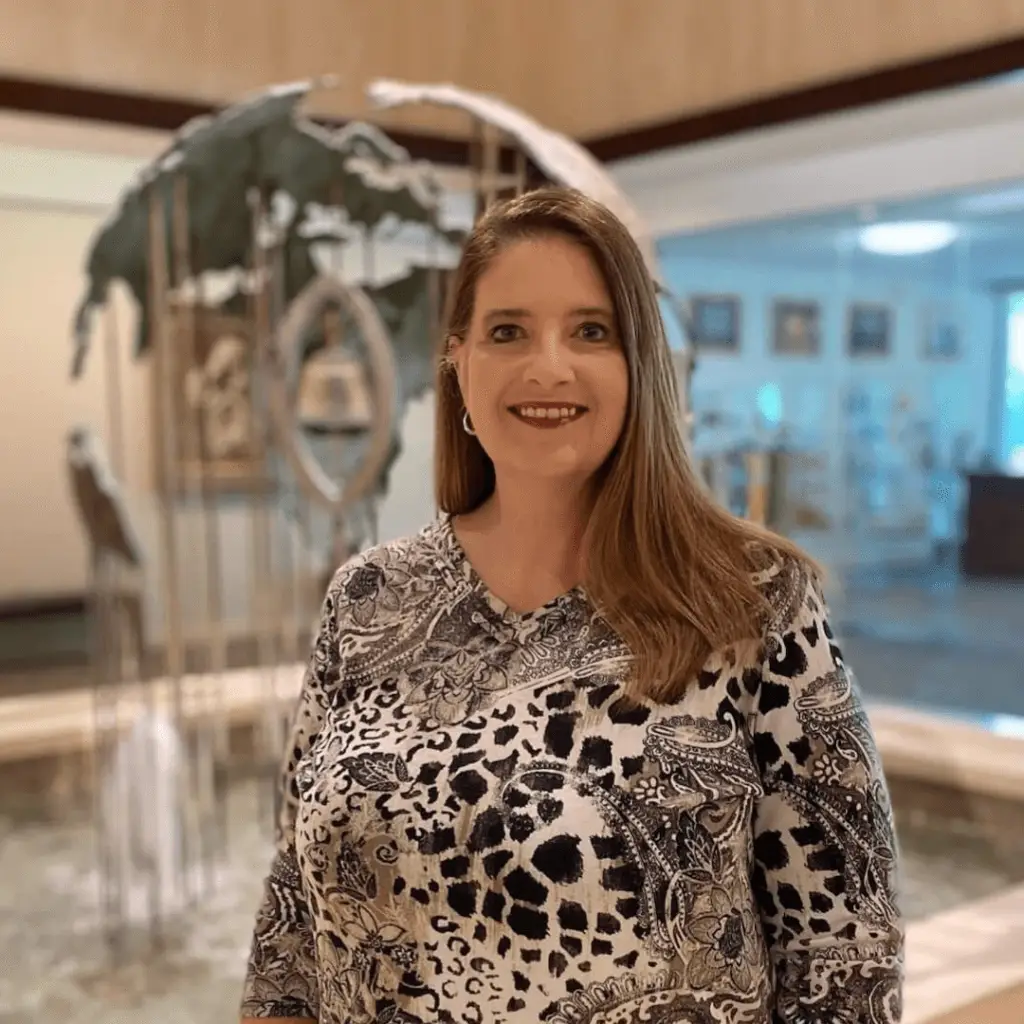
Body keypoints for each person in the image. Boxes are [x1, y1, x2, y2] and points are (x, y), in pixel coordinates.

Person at [240, 187, 904, 1024]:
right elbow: (290, 920)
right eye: (507, 331)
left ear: (639, 363)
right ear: (459, 362)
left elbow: (846, 953)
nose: (547, 366)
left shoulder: (750, 601)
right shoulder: (367, 598)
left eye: (590, 331)